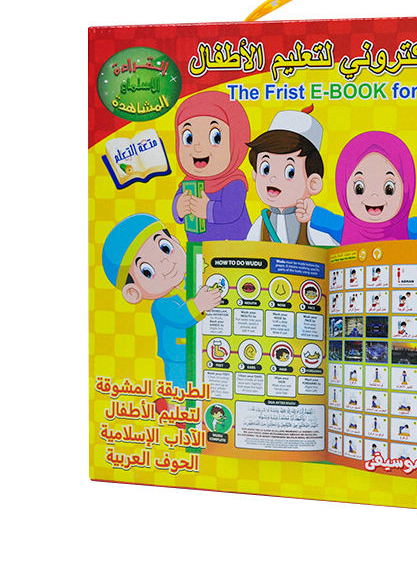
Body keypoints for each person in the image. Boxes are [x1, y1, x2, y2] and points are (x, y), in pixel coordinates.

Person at [102, 214, 222, 399]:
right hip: (178, 357)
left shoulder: (190, 281)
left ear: (175, 241)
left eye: (165, 248)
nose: (166, 264)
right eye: (147, 271)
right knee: (181, 389)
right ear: (133, 292)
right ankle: (176, 406)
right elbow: (180, 316)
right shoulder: (161, 305)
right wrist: (199, 304)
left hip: (202, 349)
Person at [296, 131, 417, 244]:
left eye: (389, 189)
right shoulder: (344, 228)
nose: (374, 197)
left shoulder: (406, 229)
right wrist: (311, 211)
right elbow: (327, 219)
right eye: (359, 188)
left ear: (406, 189)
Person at [246, 105, 337, 245]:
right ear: (255, 174)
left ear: (313, 183)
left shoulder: (311, 223)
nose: (273, 178)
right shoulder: (262, 222)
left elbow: (330, 249)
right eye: (266, 169)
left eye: (290, 172)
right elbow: (248, 249)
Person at [172, 91, 252, 241]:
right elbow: (178, 204)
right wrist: (178, 207)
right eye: (188, 138)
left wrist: (207, 209)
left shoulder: (234, 182)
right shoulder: (188, 184)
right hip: (199, 246)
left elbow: (231, 211)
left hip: (235, 246)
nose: (197, 147)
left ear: (235, 140)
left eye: (215, 137)